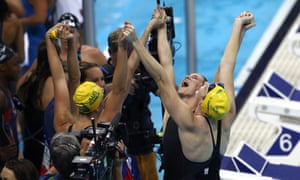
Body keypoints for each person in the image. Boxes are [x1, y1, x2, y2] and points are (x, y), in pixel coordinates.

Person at [123, 9, 256, 179]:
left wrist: (136, 41)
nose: (187, 76)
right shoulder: (225, 117)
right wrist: (239, 29)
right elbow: (226, 65)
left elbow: (161, 78)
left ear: (203, 93)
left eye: (195, 79)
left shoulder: (189, 122)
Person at [101, 9, 166, 180]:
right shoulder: (101, 75)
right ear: (111, 52)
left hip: (143, 144)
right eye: (126, 51)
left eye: (132, 50)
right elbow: (94, 93)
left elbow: (163, 90)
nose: (132, 57)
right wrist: (110, 87)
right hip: (118, 150)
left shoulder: (142, 68)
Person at [16, 40, 62, 172]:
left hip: (28, 141)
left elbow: (19, 98)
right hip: (45, 143)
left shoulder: (28, 80)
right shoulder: (53, 82)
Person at [0, 43, 22, 171]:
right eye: (14, 65)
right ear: (2, 66)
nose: (19, 68)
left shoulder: (7, 90)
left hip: (10, 162)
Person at [20, 0, 56, 72]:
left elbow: (40, 17)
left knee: (33, 73)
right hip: (30, 39)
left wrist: (15, 22)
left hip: (35, 40)